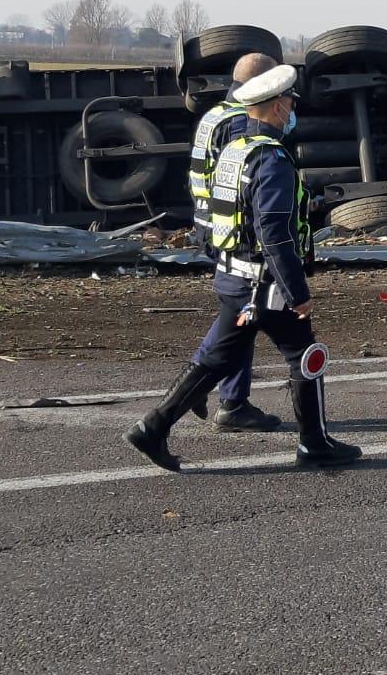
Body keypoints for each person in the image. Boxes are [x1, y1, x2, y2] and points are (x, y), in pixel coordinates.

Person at [126, 62, 362, 472]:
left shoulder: (234, 152)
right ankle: (314, 443)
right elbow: (274, 233)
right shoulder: (273, 160)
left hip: (233, 278)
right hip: (265, 284)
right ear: (274, 108)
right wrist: (298, 292)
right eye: (289, 102)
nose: (292, 109)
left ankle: (153, 428)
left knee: (215, 358)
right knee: (305, 355)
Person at [183, 52, 284, 433]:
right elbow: (248, 179)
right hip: (234, 232)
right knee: (248, 311)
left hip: (210, 226)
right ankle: (227, 398)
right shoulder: (243, 121)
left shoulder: (215, 114)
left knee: (238, 313)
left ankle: (212, 388)